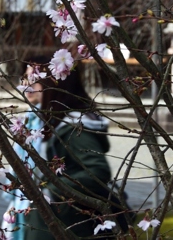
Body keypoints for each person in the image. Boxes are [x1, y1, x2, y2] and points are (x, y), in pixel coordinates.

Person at [22, 65, 133, 239]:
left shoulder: (74, 128)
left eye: (35, 81)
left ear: (55, 84)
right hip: (64, 216)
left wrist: (52, 192)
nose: (28, 86)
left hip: (71, 220)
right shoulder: (56, 122)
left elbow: (97, 170)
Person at [3, 61, 47, 240]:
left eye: (34, 80)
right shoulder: (29, 117)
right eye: (25, 79)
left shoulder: (52, 123)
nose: (27, 85)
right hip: (23, 196)